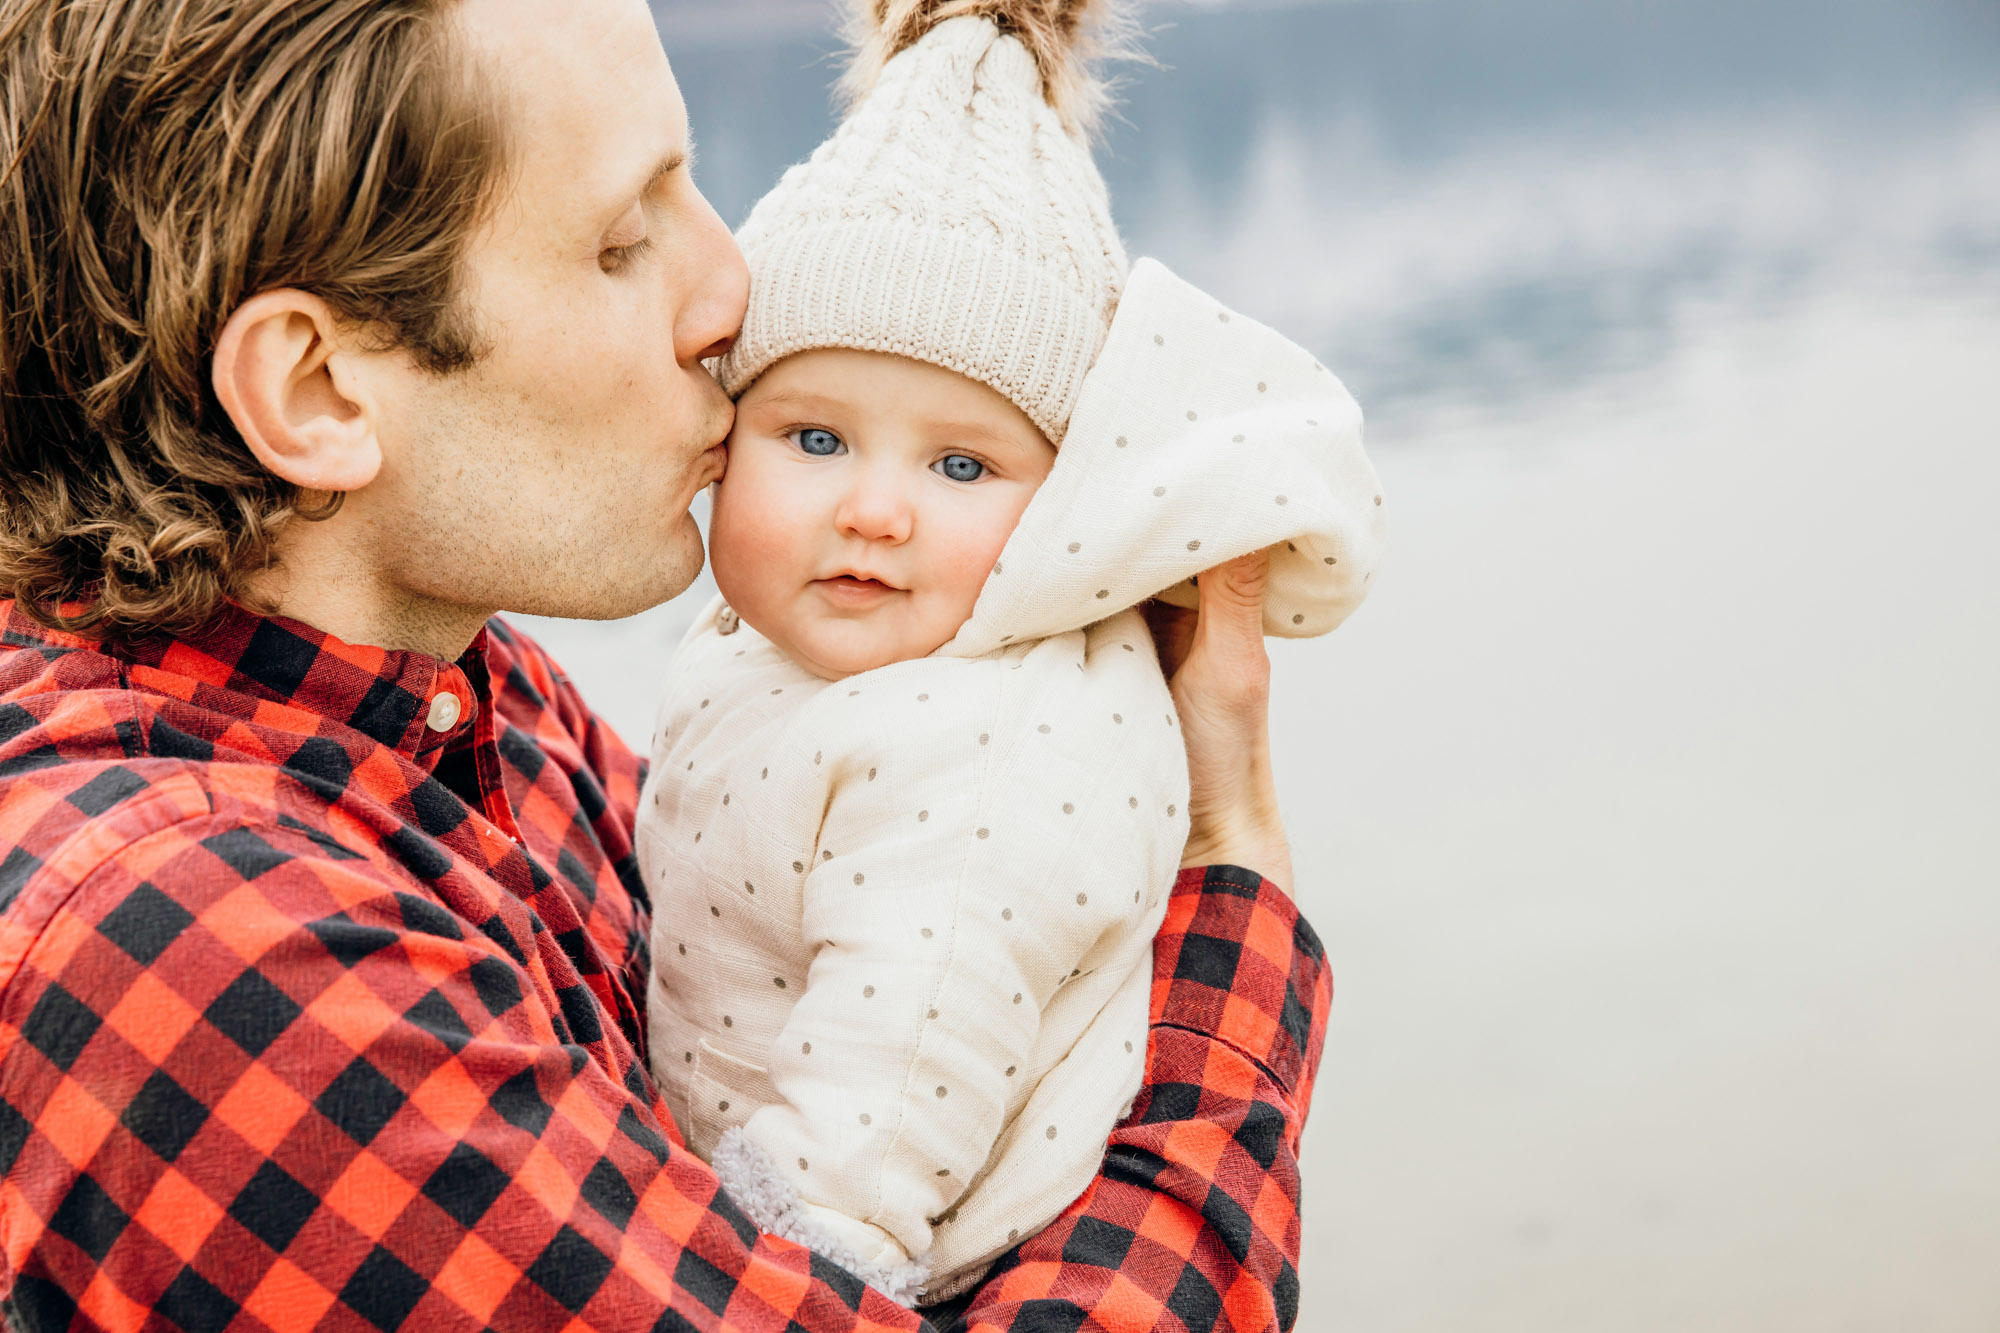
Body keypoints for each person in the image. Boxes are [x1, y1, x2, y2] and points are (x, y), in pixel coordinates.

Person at [0, 0, 1327, 1329]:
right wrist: (1230, 863)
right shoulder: (210, 956)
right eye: (622, 242)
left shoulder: (470, 703)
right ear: (317, 393)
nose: (730, 292)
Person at [639, 1, 1384, 1308]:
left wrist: (805, 1244)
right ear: (723, 436)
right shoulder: (786, 648)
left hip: (904, 1242)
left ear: (1059, 510)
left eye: (962, 463)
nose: (875, 506)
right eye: (814, 437)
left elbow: (909, 1037)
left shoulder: (993, 751)